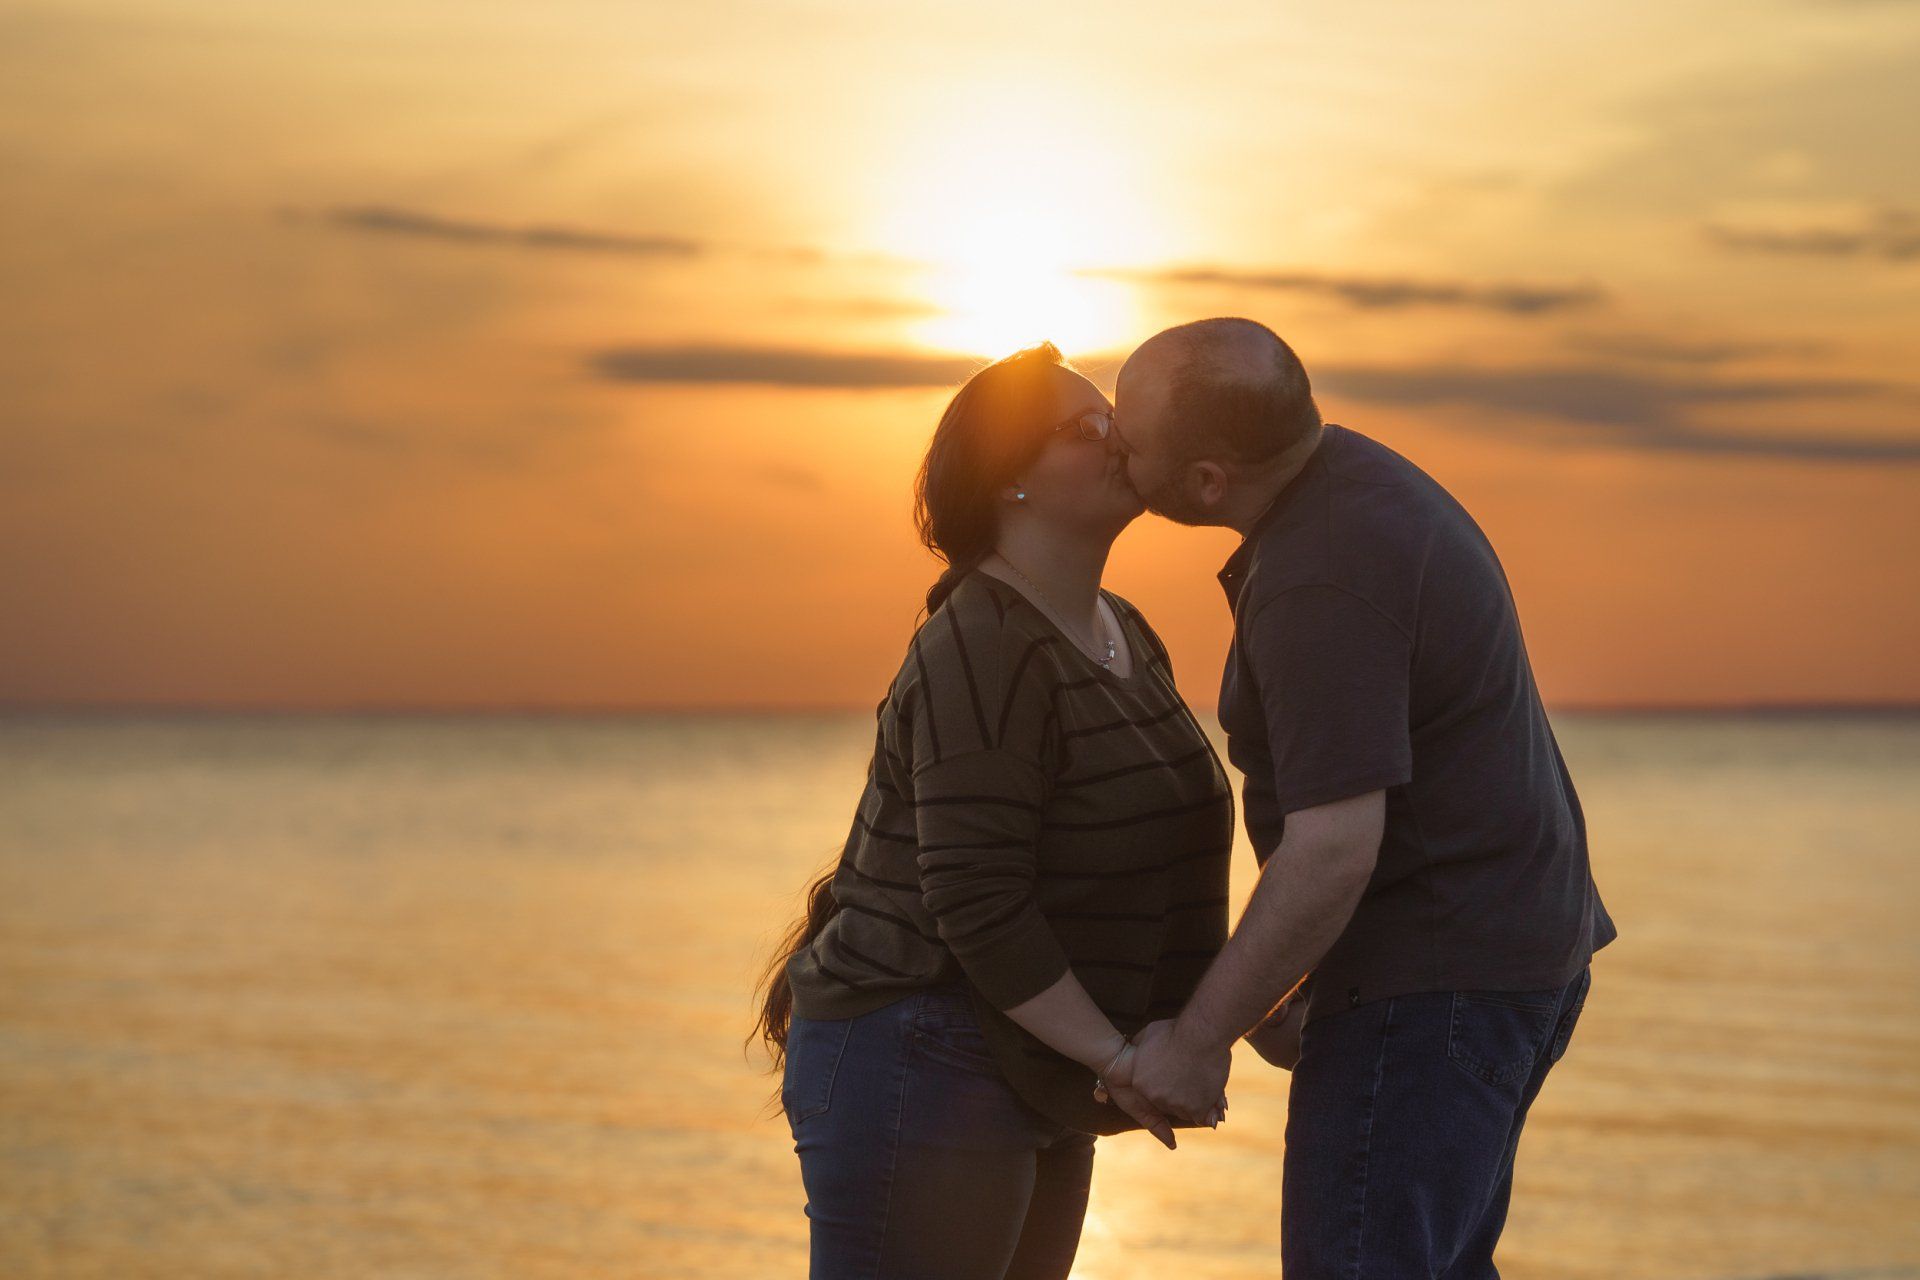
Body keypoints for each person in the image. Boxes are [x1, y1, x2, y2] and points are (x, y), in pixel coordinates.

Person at [1110, 316, 1619, 1278]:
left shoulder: (1321, 574)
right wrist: (1293, 993)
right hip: (1498, 955)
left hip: (1441, 985)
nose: (1108, 444)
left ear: (1207, 481)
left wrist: (1197, 1040)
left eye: (1128, 441)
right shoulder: (1354, 483)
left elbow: (1335, 848)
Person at [747, 341, 1238, 1280]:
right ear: (1007, 481)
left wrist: (1233, 1015)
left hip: (1046, 1053)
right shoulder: (981, 644)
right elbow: (976, 896)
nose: (1117, 436)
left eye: (1115, 418)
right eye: (1081, 424)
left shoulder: (1122, 631)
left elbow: (1163, 868)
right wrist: (1124, 1059)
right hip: (926, 1046)